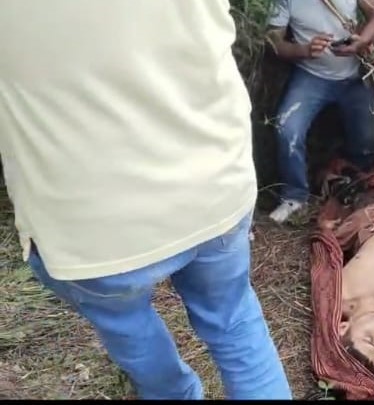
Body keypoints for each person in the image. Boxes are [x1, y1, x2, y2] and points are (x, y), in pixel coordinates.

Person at [0, 0, 292, 400]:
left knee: (129, 331)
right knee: (235, 324)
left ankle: (176, 393)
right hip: (213, 181)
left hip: (87, 223)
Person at [265, 0, 374, 224]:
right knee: (286, 129)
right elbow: (274, 41)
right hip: (310, 77)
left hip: (355, 77)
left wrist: (362, 41)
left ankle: (351, 184)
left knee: (366, 143)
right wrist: (304, 50)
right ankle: (295, 197)